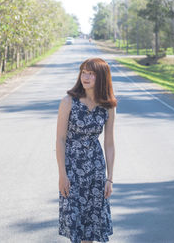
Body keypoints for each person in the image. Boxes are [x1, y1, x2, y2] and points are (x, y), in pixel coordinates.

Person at [56, 57, 117, 243]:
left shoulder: (108, 106)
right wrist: (62, 174)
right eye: (84, 72)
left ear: (102, 78)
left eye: (92, 73)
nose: (86, 77)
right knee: (76, 226)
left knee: (91, 228)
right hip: (72, 169)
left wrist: (110, 178)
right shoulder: (69, 101)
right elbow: (60, 139)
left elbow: (109, 143)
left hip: (96, 171)